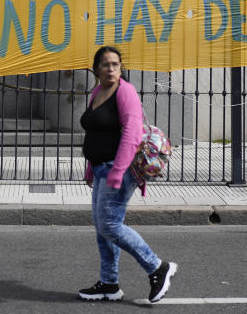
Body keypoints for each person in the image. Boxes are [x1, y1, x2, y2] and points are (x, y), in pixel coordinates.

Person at [78, 46, 176, 303]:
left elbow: (132, 135)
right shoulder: (98, 92)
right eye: (105, 65)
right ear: (96, 69)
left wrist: (117, 172)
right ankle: (109, 284)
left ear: (121, 68)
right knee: (102, 228)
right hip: (101, 168)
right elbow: (96, 133)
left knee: (110, 225)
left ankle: (157, 267)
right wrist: (91, 168)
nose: (111, 69)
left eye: (115, 64)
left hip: (117, 169)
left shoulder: (125, 92)